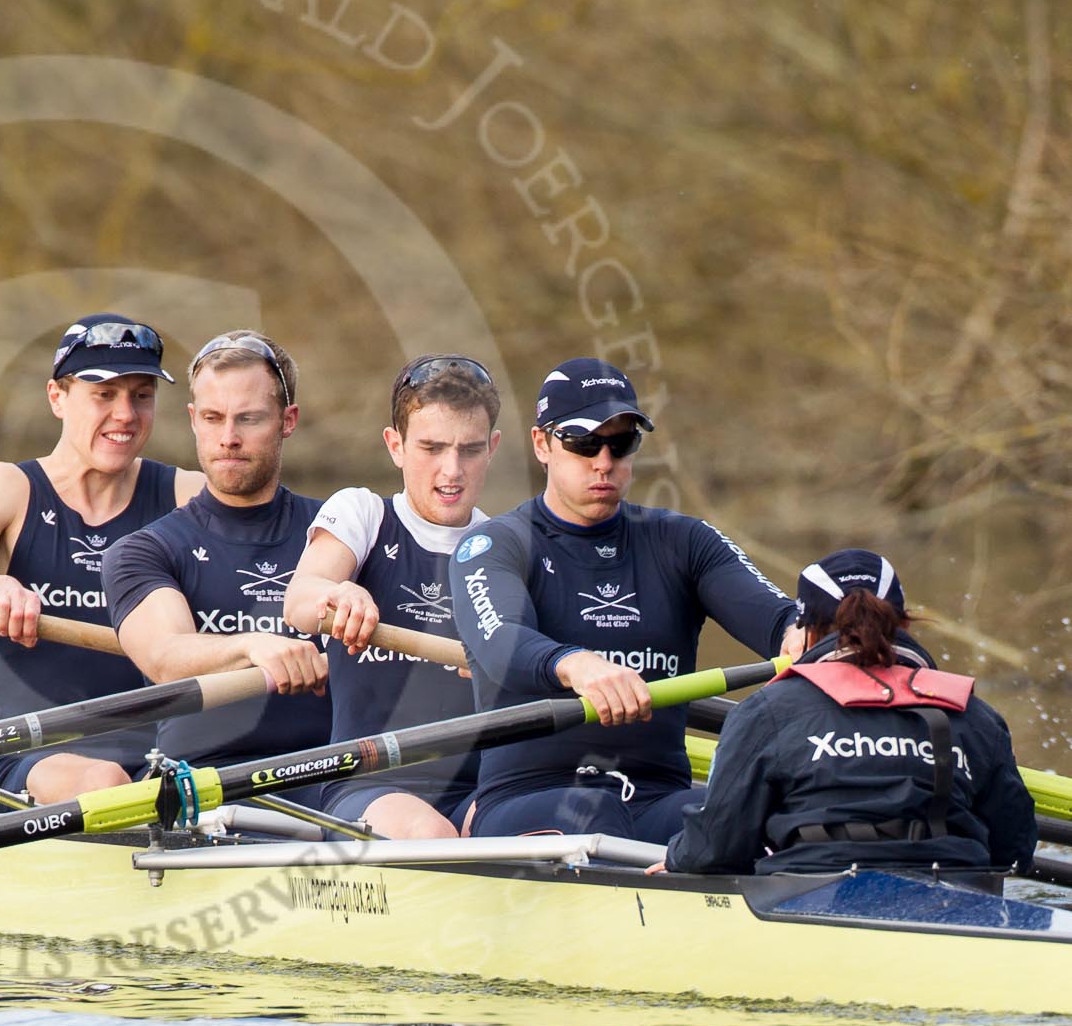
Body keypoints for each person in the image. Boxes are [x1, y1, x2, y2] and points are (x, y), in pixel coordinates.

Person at [448, 357, 797, 844]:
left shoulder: (684, 542)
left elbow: (782, 619)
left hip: (656, 797)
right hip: (529, 797)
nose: (604, 461)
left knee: (758, 815)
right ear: (541, 444)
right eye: (584, 442)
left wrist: (808, 635)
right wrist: (575, 665)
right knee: (594, 814)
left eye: (621, 442)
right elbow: (503, 643)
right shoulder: (493, 546)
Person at [0, 313, 203, 803]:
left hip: (166, 758)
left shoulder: (187, 493)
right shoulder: (5, 489)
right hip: (39, 750)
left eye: (141, 395)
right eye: (104, 395)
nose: (126, 414)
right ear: (57, 398)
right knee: (102, 783)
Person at [663, 549, 1036, 875]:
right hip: (958, 900)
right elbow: (1015, 849)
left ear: (805, 631)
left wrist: (679, 859)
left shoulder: (766, 712)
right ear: (903, 624)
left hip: (803, 903)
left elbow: (715, 850)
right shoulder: (973, 713)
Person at [282, 355, 502, 837]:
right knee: (433, 837)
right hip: (365, 783)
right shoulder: (363, 514)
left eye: (470, 450)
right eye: (432, 447)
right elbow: (299, 600)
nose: (452, 470)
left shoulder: (507, 545)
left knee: (532, 826)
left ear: (493, 449)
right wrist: (338, 594)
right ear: (395, 446)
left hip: (479, 787)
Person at [101, 331, 329, 775]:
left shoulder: (341, 534)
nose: (228, 438)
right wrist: (253, 646)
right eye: (212, 418)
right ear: (193, 420)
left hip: (331, 776)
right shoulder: (143, 551)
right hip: (203, 787)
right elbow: (167, 657)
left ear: (288, 420)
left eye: (249, 419)